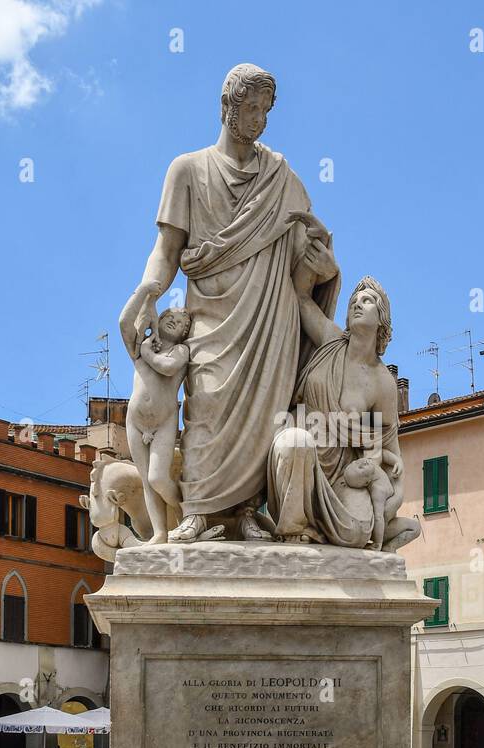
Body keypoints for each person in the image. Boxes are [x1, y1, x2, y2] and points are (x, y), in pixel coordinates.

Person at [119, 63, 340, 544]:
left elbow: (307, 253)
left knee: (267, 413)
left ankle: (245, 514)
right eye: (250, 108)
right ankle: (199, 509)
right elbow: (167, 251)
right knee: (207, 403)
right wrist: (147, 294)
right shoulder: (188, 170)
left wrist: (324, 261)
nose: (259, 119)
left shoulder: (282, 179)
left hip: (270, 318)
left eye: (265, 111)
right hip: (212, 318)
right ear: (227, 108)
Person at [266, 257, 419, 552]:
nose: (357, 304)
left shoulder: (383, 382)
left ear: (382, 319)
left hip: (344, 477)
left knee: (356, 532)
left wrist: (388, 504)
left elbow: (391, 453)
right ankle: (293, 532)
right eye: (354, 300)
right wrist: (312, 252)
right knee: (295, 443)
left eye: (368, 301)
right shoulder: (330, 339)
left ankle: (339, 530)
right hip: (298, 454)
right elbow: (300, 297)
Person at [119, 281, 193, 543]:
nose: (176, 320)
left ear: (185, 334)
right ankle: (160, 532)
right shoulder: (143, 345)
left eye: (182, 323)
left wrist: (147, 352)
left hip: (164, 421)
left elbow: (167, 367)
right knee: (146, 481)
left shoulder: (180, 351)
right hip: (135, 420)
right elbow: (124, 323)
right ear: (158, 320)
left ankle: (187, 515)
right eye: (170, 316)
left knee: (159, 478)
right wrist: (143, 293)